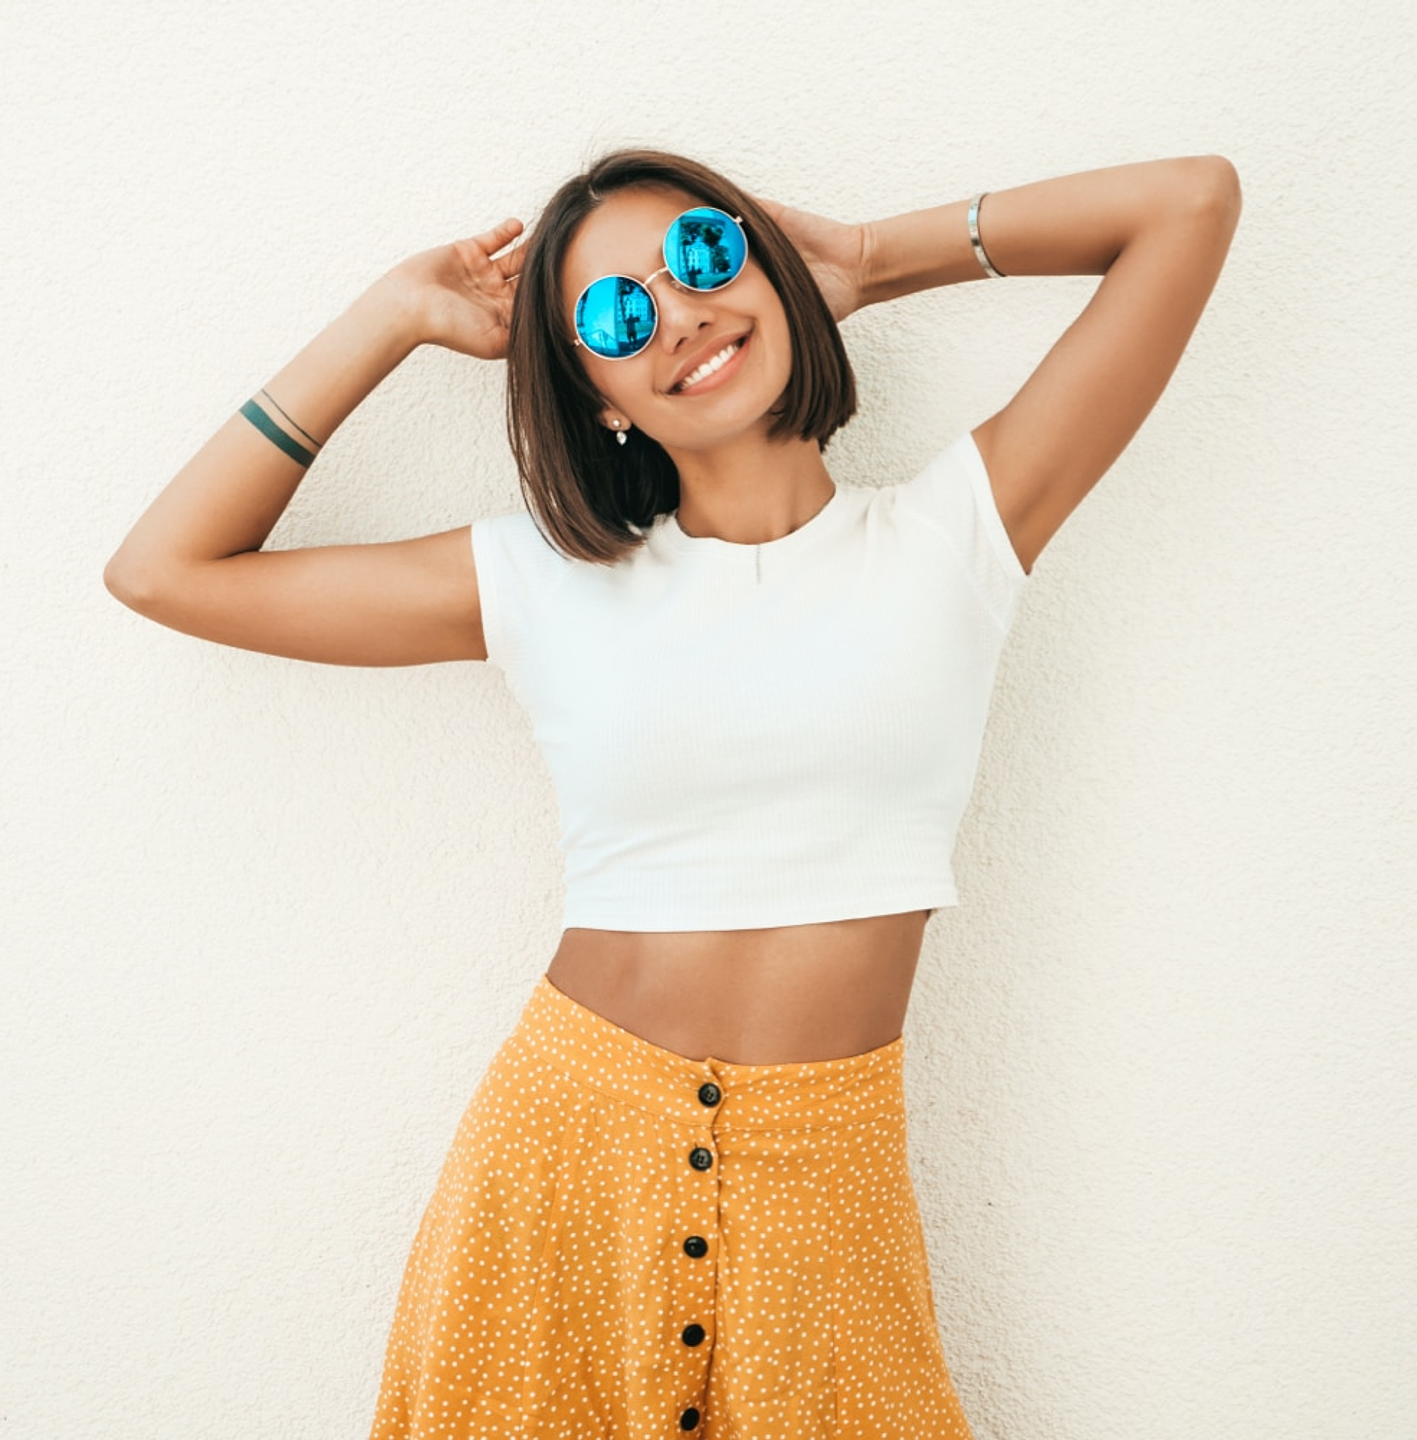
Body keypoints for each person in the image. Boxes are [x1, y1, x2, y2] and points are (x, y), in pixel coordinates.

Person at [104, 146, 1241, 1438]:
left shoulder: (957, 537)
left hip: (830, 1173)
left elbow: (1189, 204)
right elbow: (166, 571)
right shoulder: (541, 585)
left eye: (702, 255)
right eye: (617, 316)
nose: (680, 312)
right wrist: (395, 317)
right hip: (563, 1156)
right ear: (600, 401)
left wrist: (868, 259)